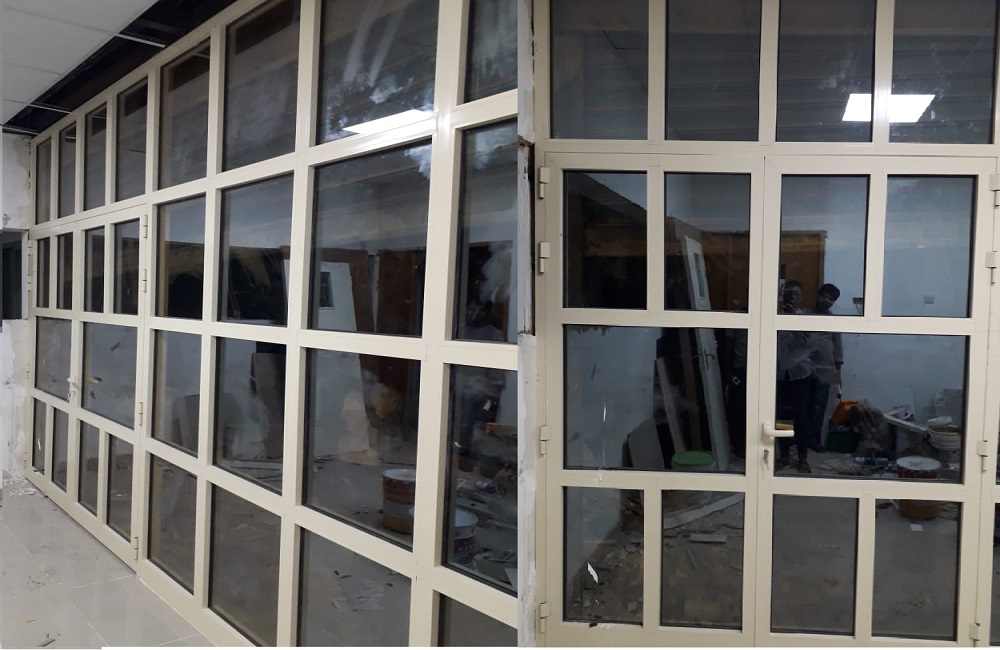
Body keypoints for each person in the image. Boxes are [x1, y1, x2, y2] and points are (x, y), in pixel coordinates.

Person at [775, 279, 812, 473]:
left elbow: (803, 342)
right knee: (782, 419)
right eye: (788, 293)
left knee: (801, 418)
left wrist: (792, 320)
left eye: (796, 294)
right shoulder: (774, 316)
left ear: (801, 297)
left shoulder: (805, 318)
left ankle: (803, 458)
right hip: (780, 375)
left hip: (800, 375)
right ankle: (784, 456)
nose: (792, 297)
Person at [803, 283, 844, 453]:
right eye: (824, 296)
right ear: (818, 295)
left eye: (831, 299)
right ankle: (798, 438)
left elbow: (838, 346)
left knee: (819, 406)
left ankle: (813, 439)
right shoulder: (803, 314)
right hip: (804, 367)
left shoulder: (833, 320)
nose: (826, 301)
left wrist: (838, 372)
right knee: (801, 404)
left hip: (825, 369)